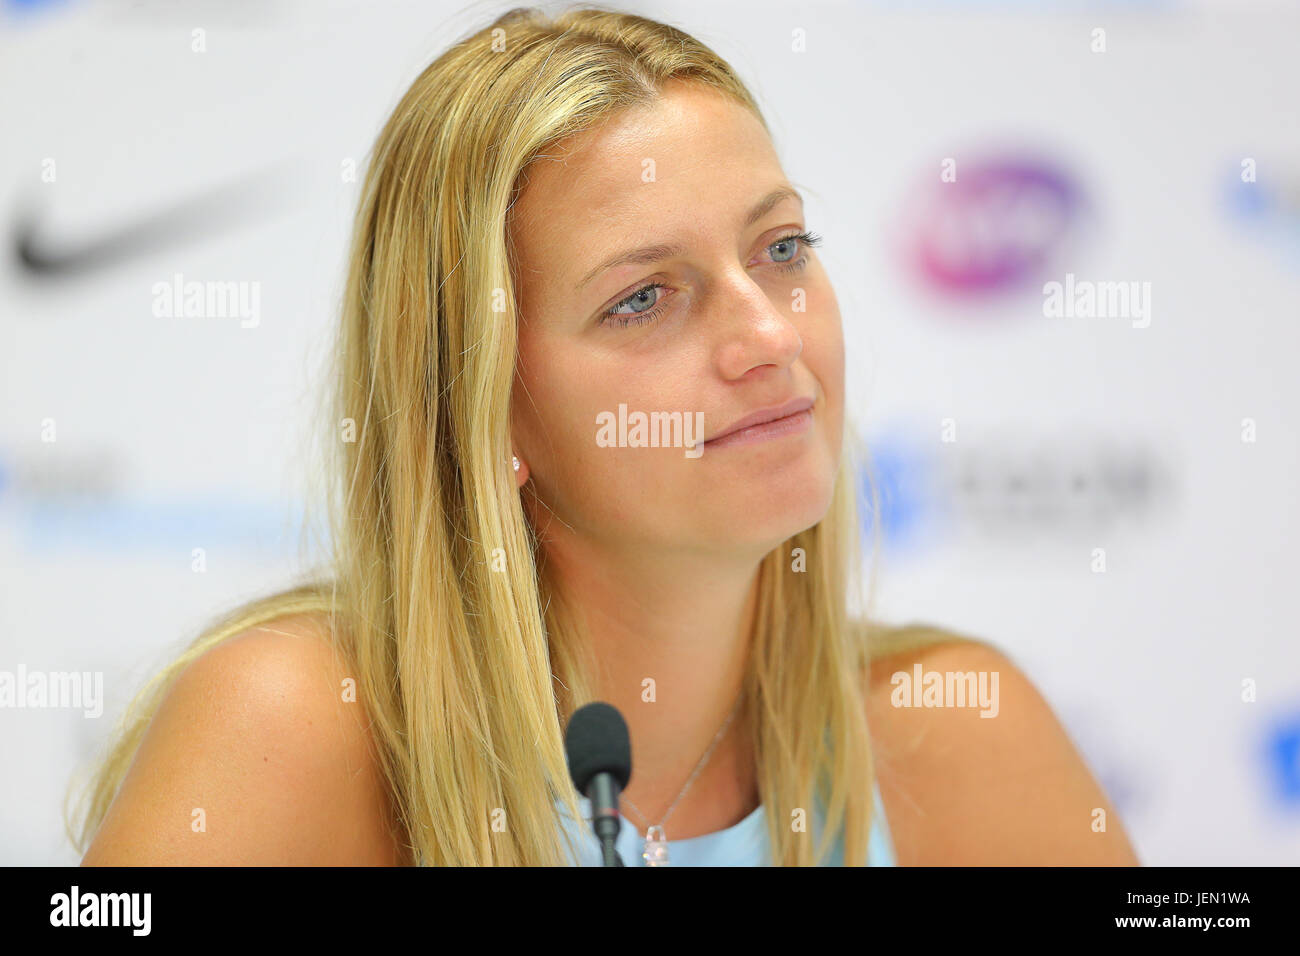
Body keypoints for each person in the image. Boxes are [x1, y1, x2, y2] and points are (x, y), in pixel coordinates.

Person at [71, 5, 1138, 866]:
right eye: (642, 298)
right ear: (485, 408)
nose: (771, 333)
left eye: (781, 247)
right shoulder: (292, 727)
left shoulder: (951, 731)